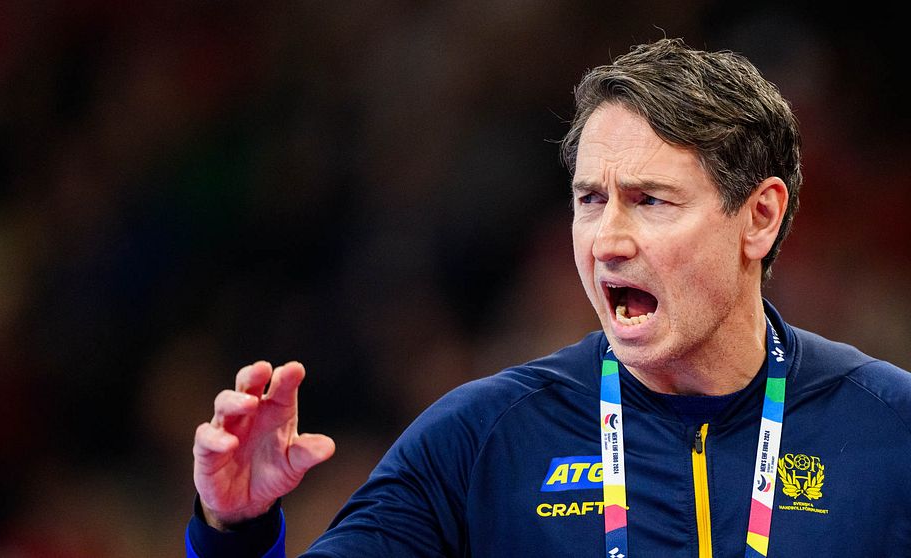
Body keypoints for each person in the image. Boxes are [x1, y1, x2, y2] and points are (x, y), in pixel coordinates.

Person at [185, 38, 911, 557]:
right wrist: (232, 531)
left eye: (651, 200)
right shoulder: (480, 439)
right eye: (590, 199)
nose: (607, 240)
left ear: (759, 217)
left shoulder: (892, 429)